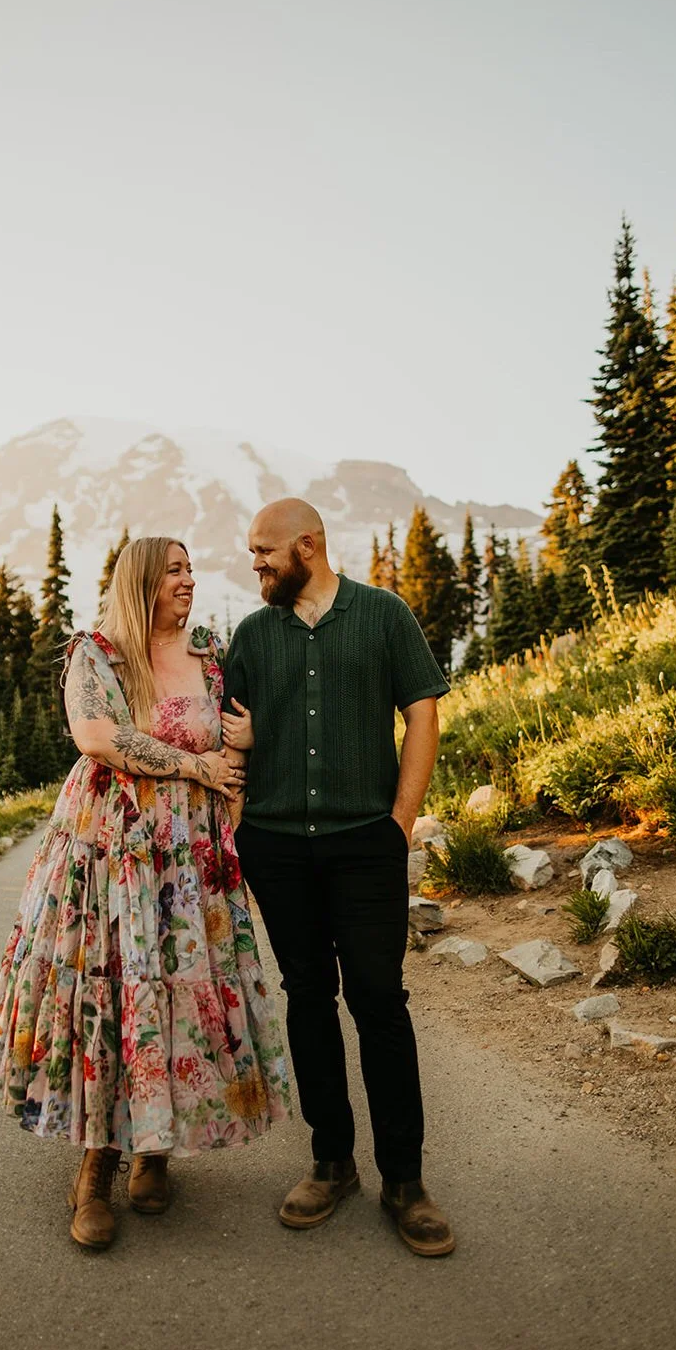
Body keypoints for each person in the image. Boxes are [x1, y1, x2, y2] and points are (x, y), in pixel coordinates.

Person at [0, 536, 290, 1250]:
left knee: (177, 990)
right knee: (115, 991)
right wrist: (199, 766)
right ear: (142, 580)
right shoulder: (99, 653)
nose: (189, 579)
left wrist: (240, 748)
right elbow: (97, 736)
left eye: (189, 566)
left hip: (190, 858)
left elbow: (230, 746)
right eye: (174, 570)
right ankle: (95, 1168)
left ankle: (154, 1148)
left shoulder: (212, 654)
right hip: (110, 855)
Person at [221, 498, 455, 1257]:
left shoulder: (385, 615)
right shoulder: (253, 636)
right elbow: (229, 740)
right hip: (278, 847)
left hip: (366, 843)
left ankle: (405, 1181)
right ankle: (331, 1163)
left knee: (380, 1001)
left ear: (309, 547)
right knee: (308, 999)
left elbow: (423, 712)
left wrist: (401, 821)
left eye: (264, 552)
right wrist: (241, 775)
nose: (255, 564)